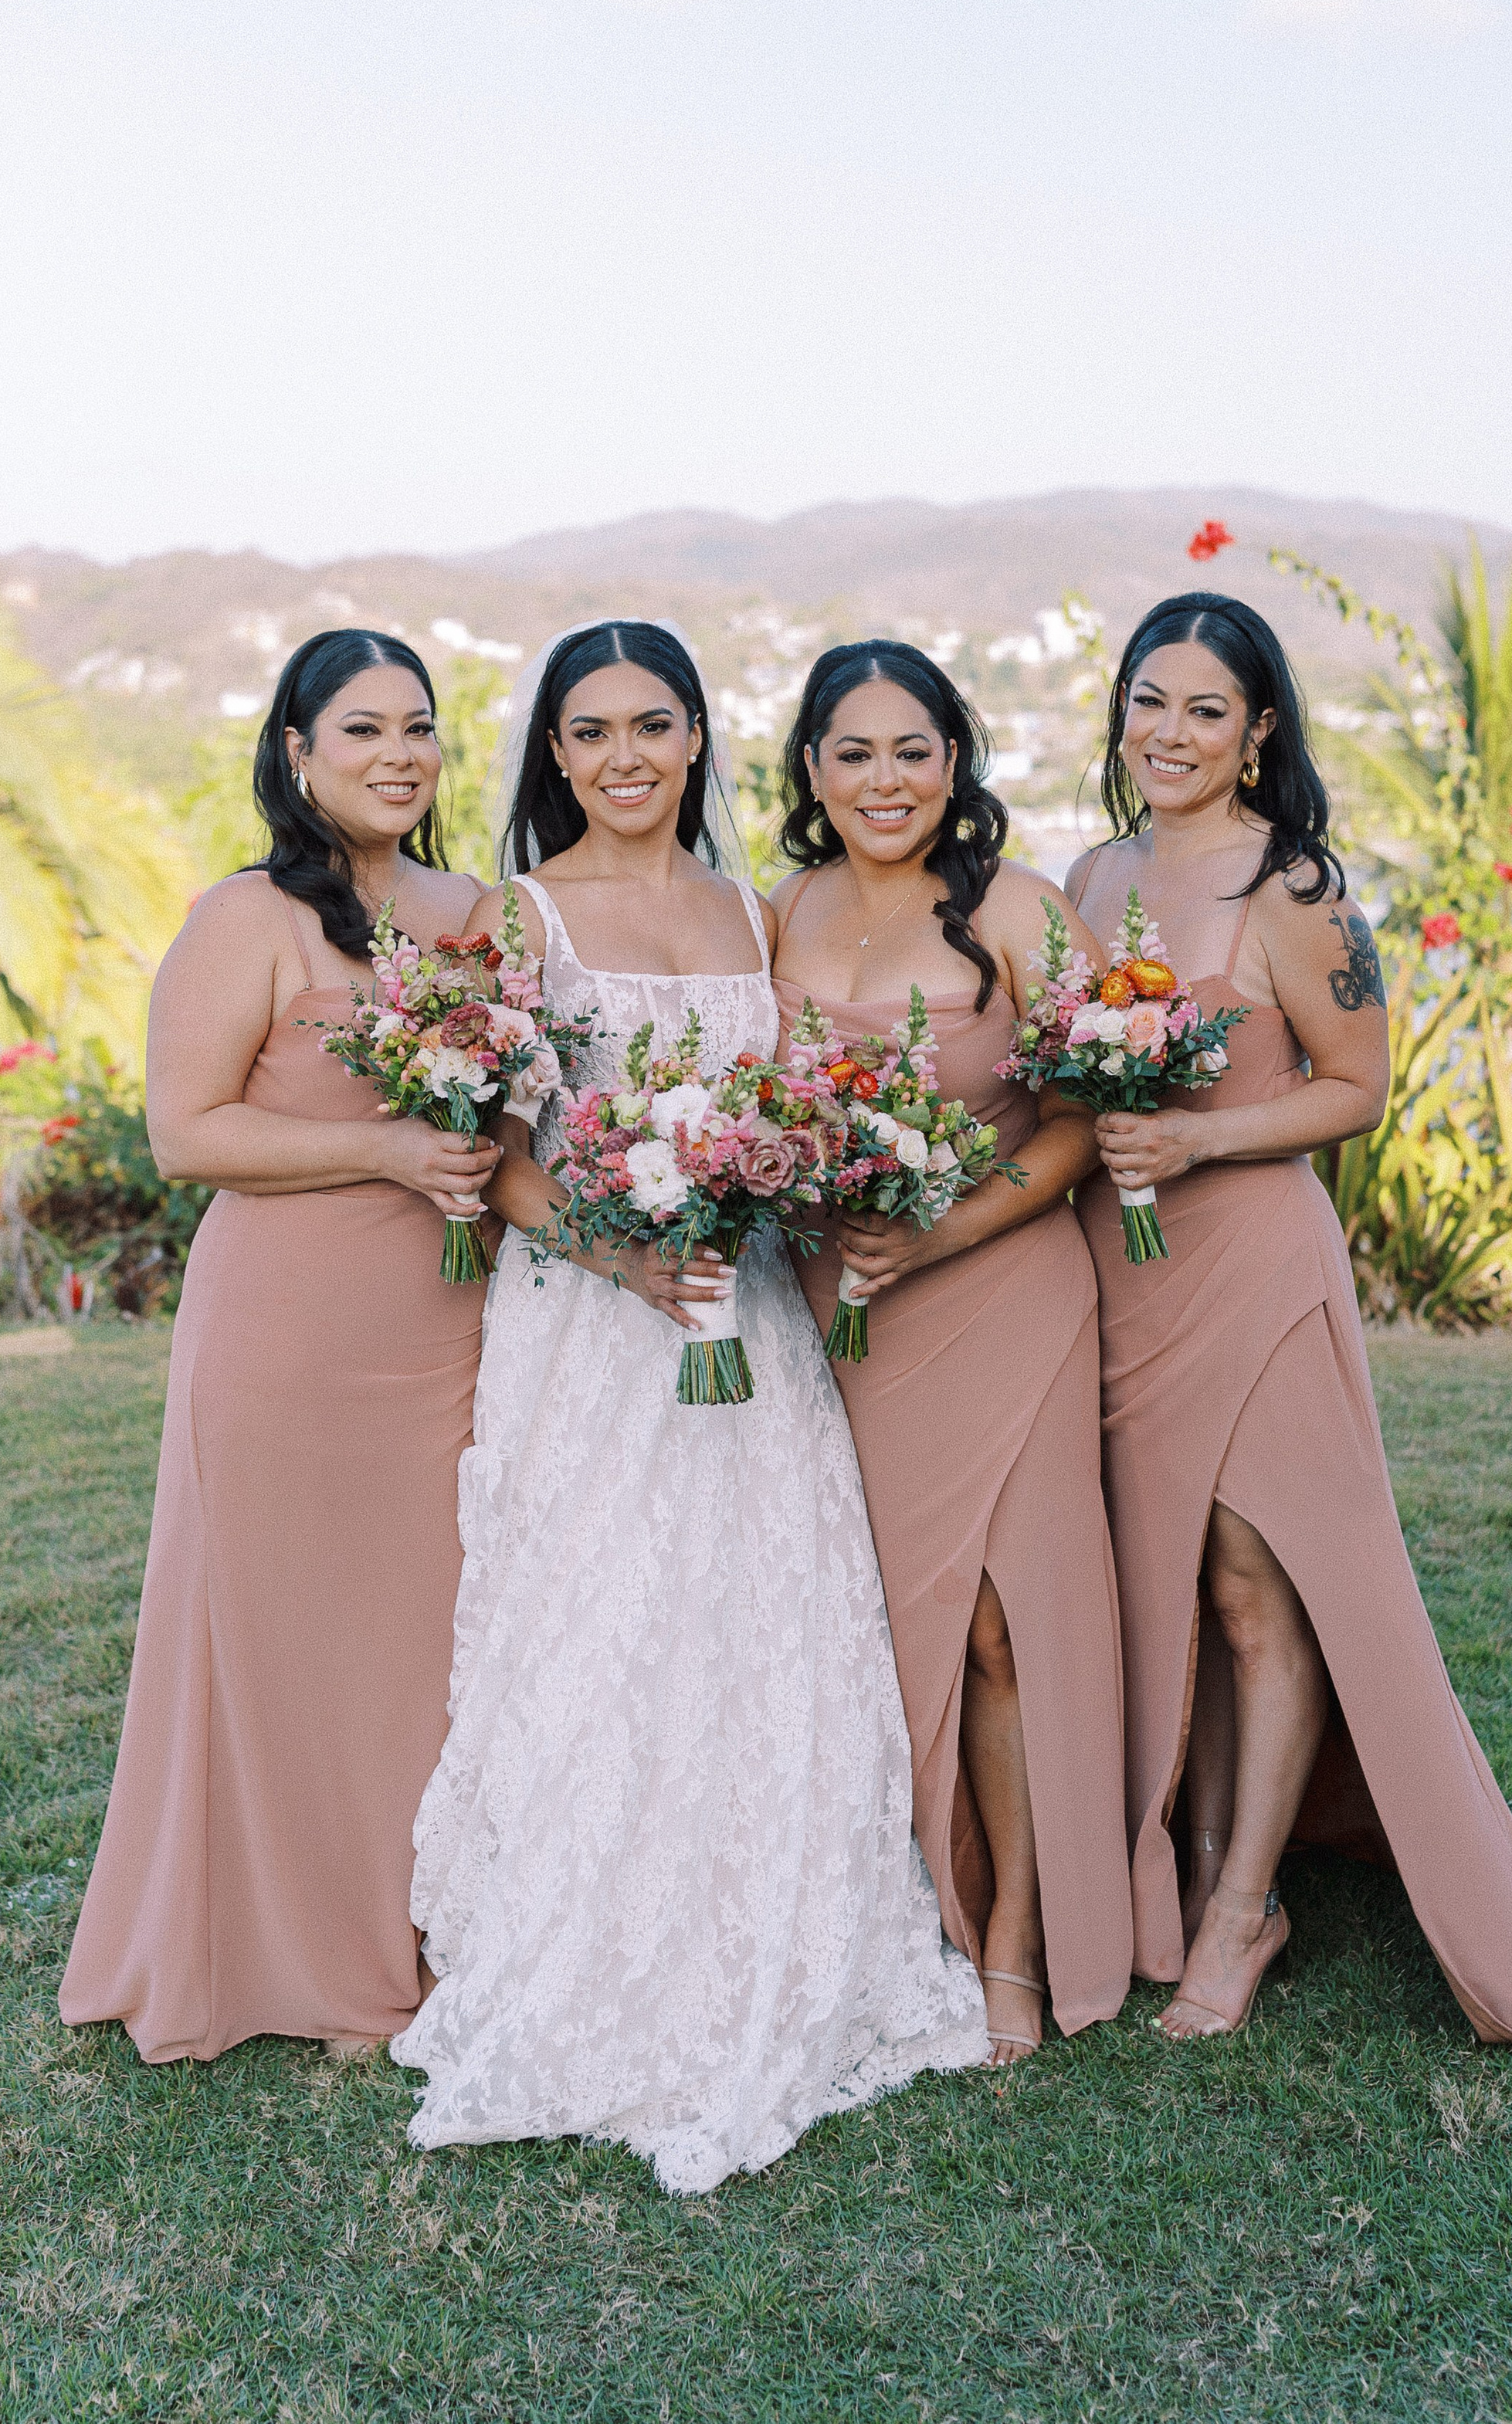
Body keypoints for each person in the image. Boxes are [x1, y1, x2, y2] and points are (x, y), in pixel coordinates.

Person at [392, 618, 988, 2195]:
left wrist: (793, 1179)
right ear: (555, 753)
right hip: (591, 1326)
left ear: (698, 739)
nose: (625, 758)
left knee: (756, 1616)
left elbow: (786, 1102)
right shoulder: (521, 917)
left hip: (749, 1316)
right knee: (600, 1617)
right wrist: (622, 1253)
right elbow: (493, 1153)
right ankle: (586, 1944)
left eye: (653, 726)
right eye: (591, 732)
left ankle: (772, 1924)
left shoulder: (749, 908)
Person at [1070, 590, 1512, 2046]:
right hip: (1123, 1272)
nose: (1169, 733)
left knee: (1256, 1588)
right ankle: (1199, 1860)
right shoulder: (1089, 875)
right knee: (1173, 1583)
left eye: (1206, 709)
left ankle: (1243, 1910)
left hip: (1252, 1266)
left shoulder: (1296, 888)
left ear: (1259, 729)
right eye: (1150, 701)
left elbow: (1359, 1090)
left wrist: (1199, 1138)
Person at [60, 629, 499, 2063]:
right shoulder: (244, 917)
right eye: (362, 730)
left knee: (422, 1636)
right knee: (285, 1635)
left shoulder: (476, 912)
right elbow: (188, 1134)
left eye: (417, 727)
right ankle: (291, 1952)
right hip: (287, 1327)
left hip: (452, 1321)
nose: (399, 756)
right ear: (299, 753)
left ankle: (423, 1925)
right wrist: (387, 1149)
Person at [771, 641, 1134, 2062]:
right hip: (839, 1307)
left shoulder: (1019, 910)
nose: (886, 781)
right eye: (854, 753)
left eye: (912, 751)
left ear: (955, 761)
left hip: (997, 1291)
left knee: (997, 1626)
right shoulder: (776, 913)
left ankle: (1016, 1945)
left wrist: (940, 1235)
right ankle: (901, 1906)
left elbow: (1085, 1124)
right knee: (875, 1619)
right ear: (811, 769)